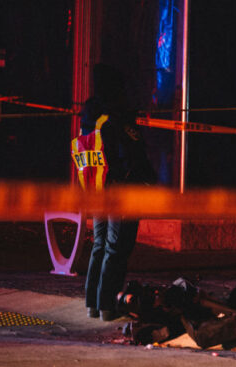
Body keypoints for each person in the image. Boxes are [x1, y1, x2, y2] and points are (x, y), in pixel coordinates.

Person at [72, 64, 157, 321]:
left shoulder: (90, 117)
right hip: (120, 192)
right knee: (117, 249)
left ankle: (93, 303)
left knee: (100, 246)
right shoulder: (117, 118)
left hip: (96, 190)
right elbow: (133, 155)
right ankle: (108, 305)